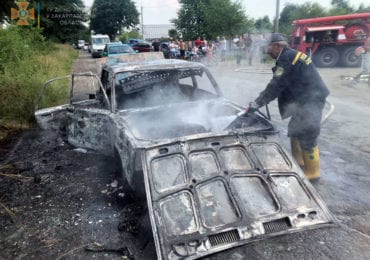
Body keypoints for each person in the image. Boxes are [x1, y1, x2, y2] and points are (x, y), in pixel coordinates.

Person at [249, 33, 330, 180]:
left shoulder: (286, 58)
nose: (267, 51)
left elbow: (276, 86)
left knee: (307, 134)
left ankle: (312, 172)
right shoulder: (289, 55)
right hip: (303, 100)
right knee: (295, 130)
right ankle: (298, 162)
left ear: (277, 46)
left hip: (311, 100)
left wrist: (257, 103)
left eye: (269, 48)